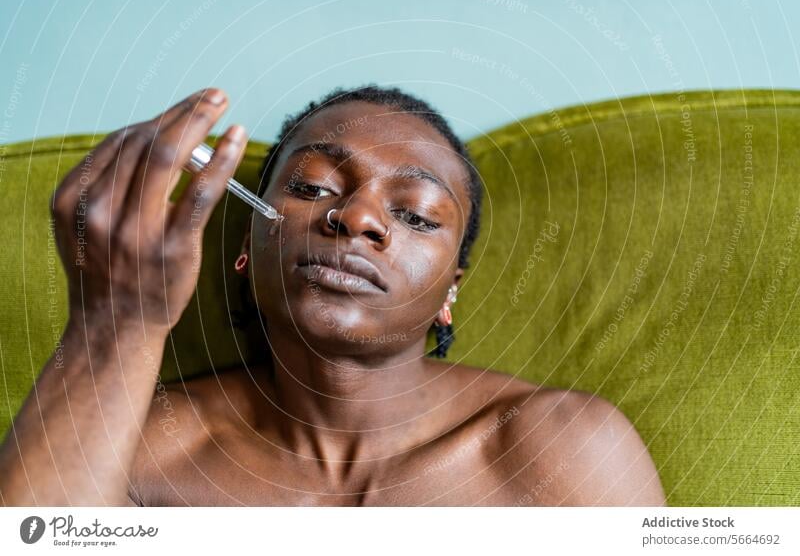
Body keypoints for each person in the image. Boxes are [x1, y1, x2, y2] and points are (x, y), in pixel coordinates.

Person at [0, 85, 665, 506]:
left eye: (416, 214)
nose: (358, 218)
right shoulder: (143, 450)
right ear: (245, 251)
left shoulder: (559, 448)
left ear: (449, 292)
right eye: (312, 187)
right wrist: (115, 321)